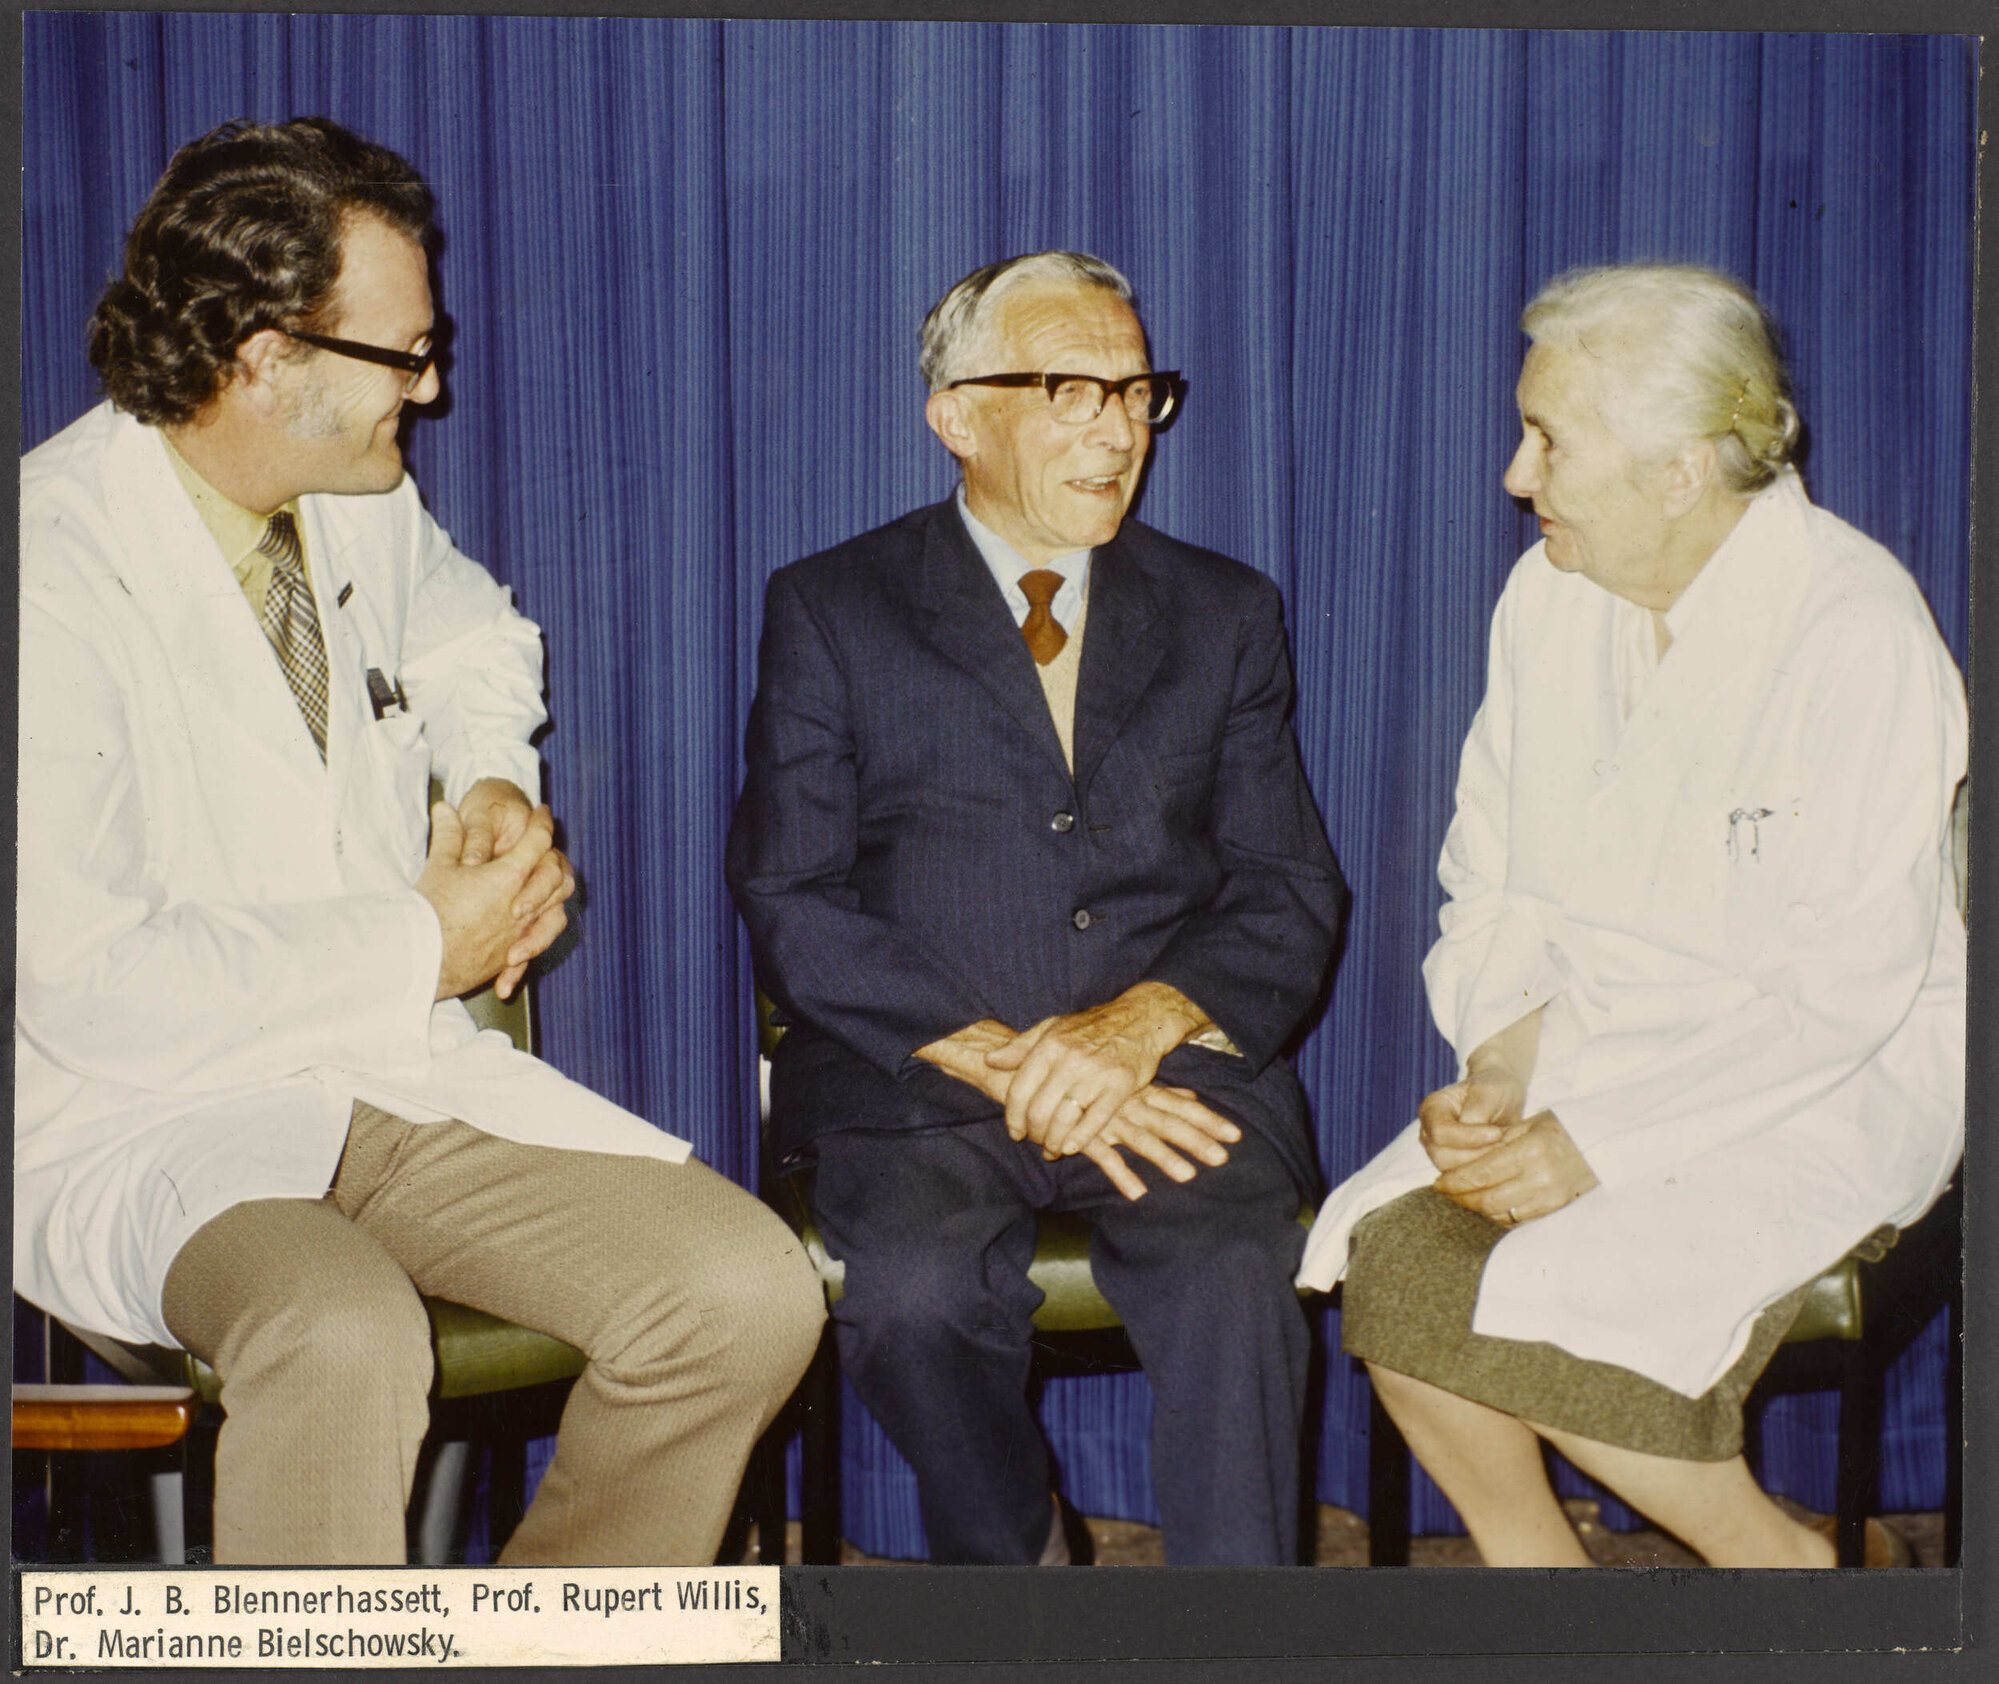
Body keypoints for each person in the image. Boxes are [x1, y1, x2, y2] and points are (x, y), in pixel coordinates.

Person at [16, 117, 823, 1566]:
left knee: (744, 1291)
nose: (434, 386)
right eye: (404, 355)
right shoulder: (50, 568)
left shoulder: (349, 496)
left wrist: (491, 783)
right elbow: (88, 986)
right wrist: (423, 941)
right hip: (153, 1120)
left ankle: (541, 1645)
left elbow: (471, 635)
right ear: (265, 358)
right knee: (337, 1331)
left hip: (387, 1082)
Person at [1297, 264, 1966, 1569]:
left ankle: (1785, 1569)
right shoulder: (1549, 596)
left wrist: (1593, 1141)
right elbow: (1487, 878)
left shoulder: (1855, 632)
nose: (1512, 473)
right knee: (1395, 1261)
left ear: (1677, 474)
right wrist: (1502, 1067)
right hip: (1588, 1052)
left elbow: (1842, 989)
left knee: (1553, 1297)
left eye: (1548, 438)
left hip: (1825, 1079)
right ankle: (1537, 1579)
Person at [726, 251, 1345, 1566]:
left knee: (1236, 1286)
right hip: (929, 1076)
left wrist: (1129, 1033)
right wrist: (1018, 1060)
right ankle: (1022, 1579)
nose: (1119, 429)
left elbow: (1290, 888)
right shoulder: (832, 608)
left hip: (1178, 1070)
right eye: (1072, 389)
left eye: (1137, 392)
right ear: (956, 414)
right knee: (914, 1301)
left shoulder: (1225, 612)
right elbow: (790, 890)